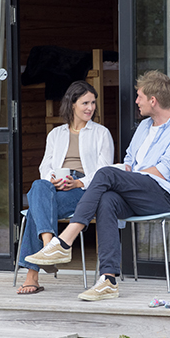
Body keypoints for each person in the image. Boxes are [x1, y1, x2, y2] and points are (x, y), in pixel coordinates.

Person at [25, 71, 170, 301]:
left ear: (153, 100)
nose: (136, 101)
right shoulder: (144, 127)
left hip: (162, 195)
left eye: (140, 97)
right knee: (106, 200)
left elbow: (164, 171)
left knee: (106, 173)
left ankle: (65, 240)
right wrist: (124, 169)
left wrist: (122, 173)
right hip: (135, 193)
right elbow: (129, 161)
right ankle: (108, 279)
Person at [16, 80, 114, 294]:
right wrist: (53, 180)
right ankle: (50, 245)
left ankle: (34, 273)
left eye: (93, 103)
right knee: (39, 186)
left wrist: (79, 182)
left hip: (85, 190)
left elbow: (104, 171)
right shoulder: (56, 134)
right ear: (72, 104)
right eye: (85, 103)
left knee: (36, 208)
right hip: (57, 187)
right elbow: (45, 166)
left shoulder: (101, 133)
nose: (91, 108)